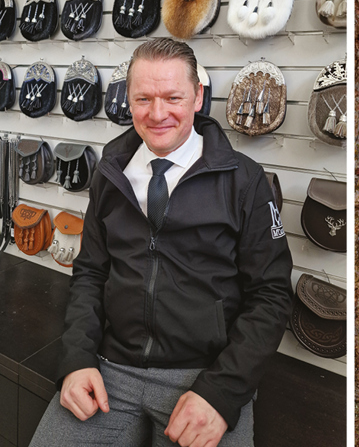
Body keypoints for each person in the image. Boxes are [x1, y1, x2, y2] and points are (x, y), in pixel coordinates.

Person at [31, 38, 293, 447]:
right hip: (108, 369)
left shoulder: (245, 180)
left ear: (197, 96)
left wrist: (222, 393)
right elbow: (90, 272)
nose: (157, 114)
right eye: (143, 98)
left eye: (173, 97)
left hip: (204, 378)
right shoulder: (110, 171)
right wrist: (76, 360)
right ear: (128, 99)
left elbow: (272, 294)